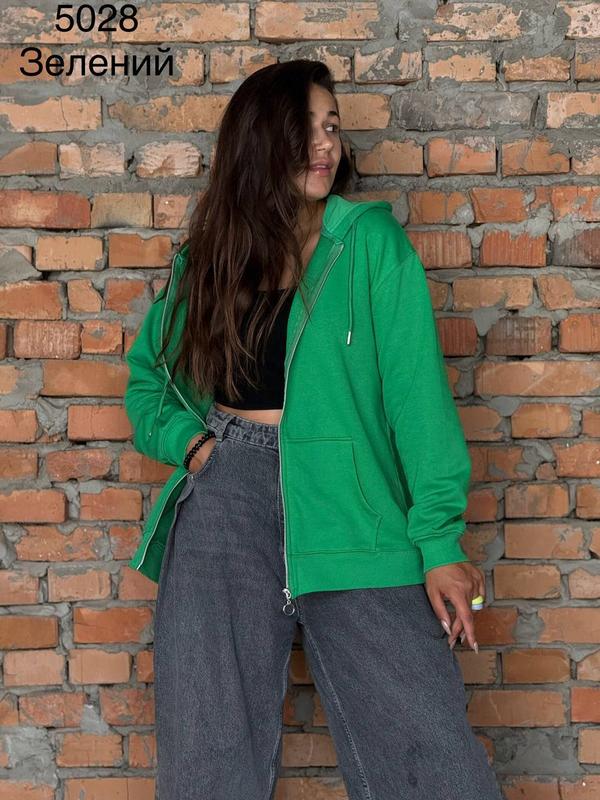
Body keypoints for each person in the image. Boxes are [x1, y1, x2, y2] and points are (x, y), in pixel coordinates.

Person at [124, 59, 504, 800]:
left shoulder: (369, 244)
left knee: (431, 758)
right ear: (261, 143)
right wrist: (193, 447)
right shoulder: (211, 259)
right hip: (225, 499)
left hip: (352, 505)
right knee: (207, 760)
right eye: (306, 130)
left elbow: (418, 402)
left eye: (332, 127)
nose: (325, 145)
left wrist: (439, 544)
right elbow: (151, 381)